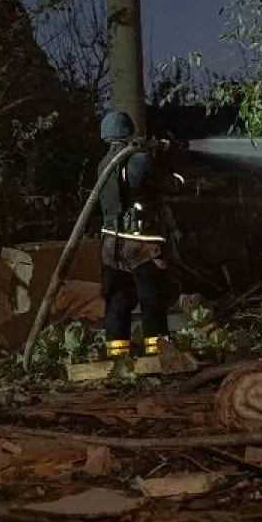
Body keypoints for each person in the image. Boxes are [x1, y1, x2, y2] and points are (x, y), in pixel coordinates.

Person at [96, 110, 177, 359]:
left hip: (111, 244)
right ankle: (158, 350)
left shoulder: (103, 164)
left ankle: (117, 353)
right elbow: (166, 185)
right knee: (152, 298)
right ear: (129, 131)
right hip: (142, 243)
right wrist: (170, 167)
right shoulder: (140, 161)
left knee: (118, 300)